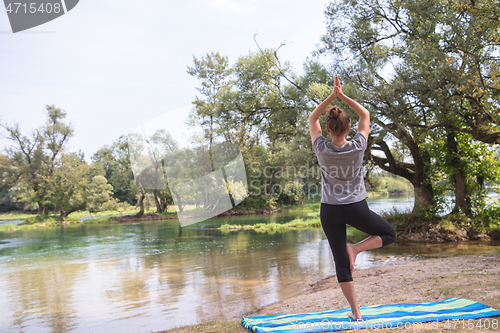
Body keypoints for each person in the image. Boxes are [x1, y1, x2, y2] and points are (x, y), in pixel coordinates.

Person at [308, 75, 396, 321]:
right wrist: (342, 96)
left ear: (328, 129)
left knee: (340, 263)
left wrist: (330, 98)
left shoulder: (321, 148)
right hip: (356, 207)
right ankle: (355, 249)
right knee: (389, 234)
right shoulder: (358, 146)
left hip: (330, 211)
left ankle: (356, 312)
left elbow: (312, 118)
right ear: (349, 128)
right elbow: (365, 116)